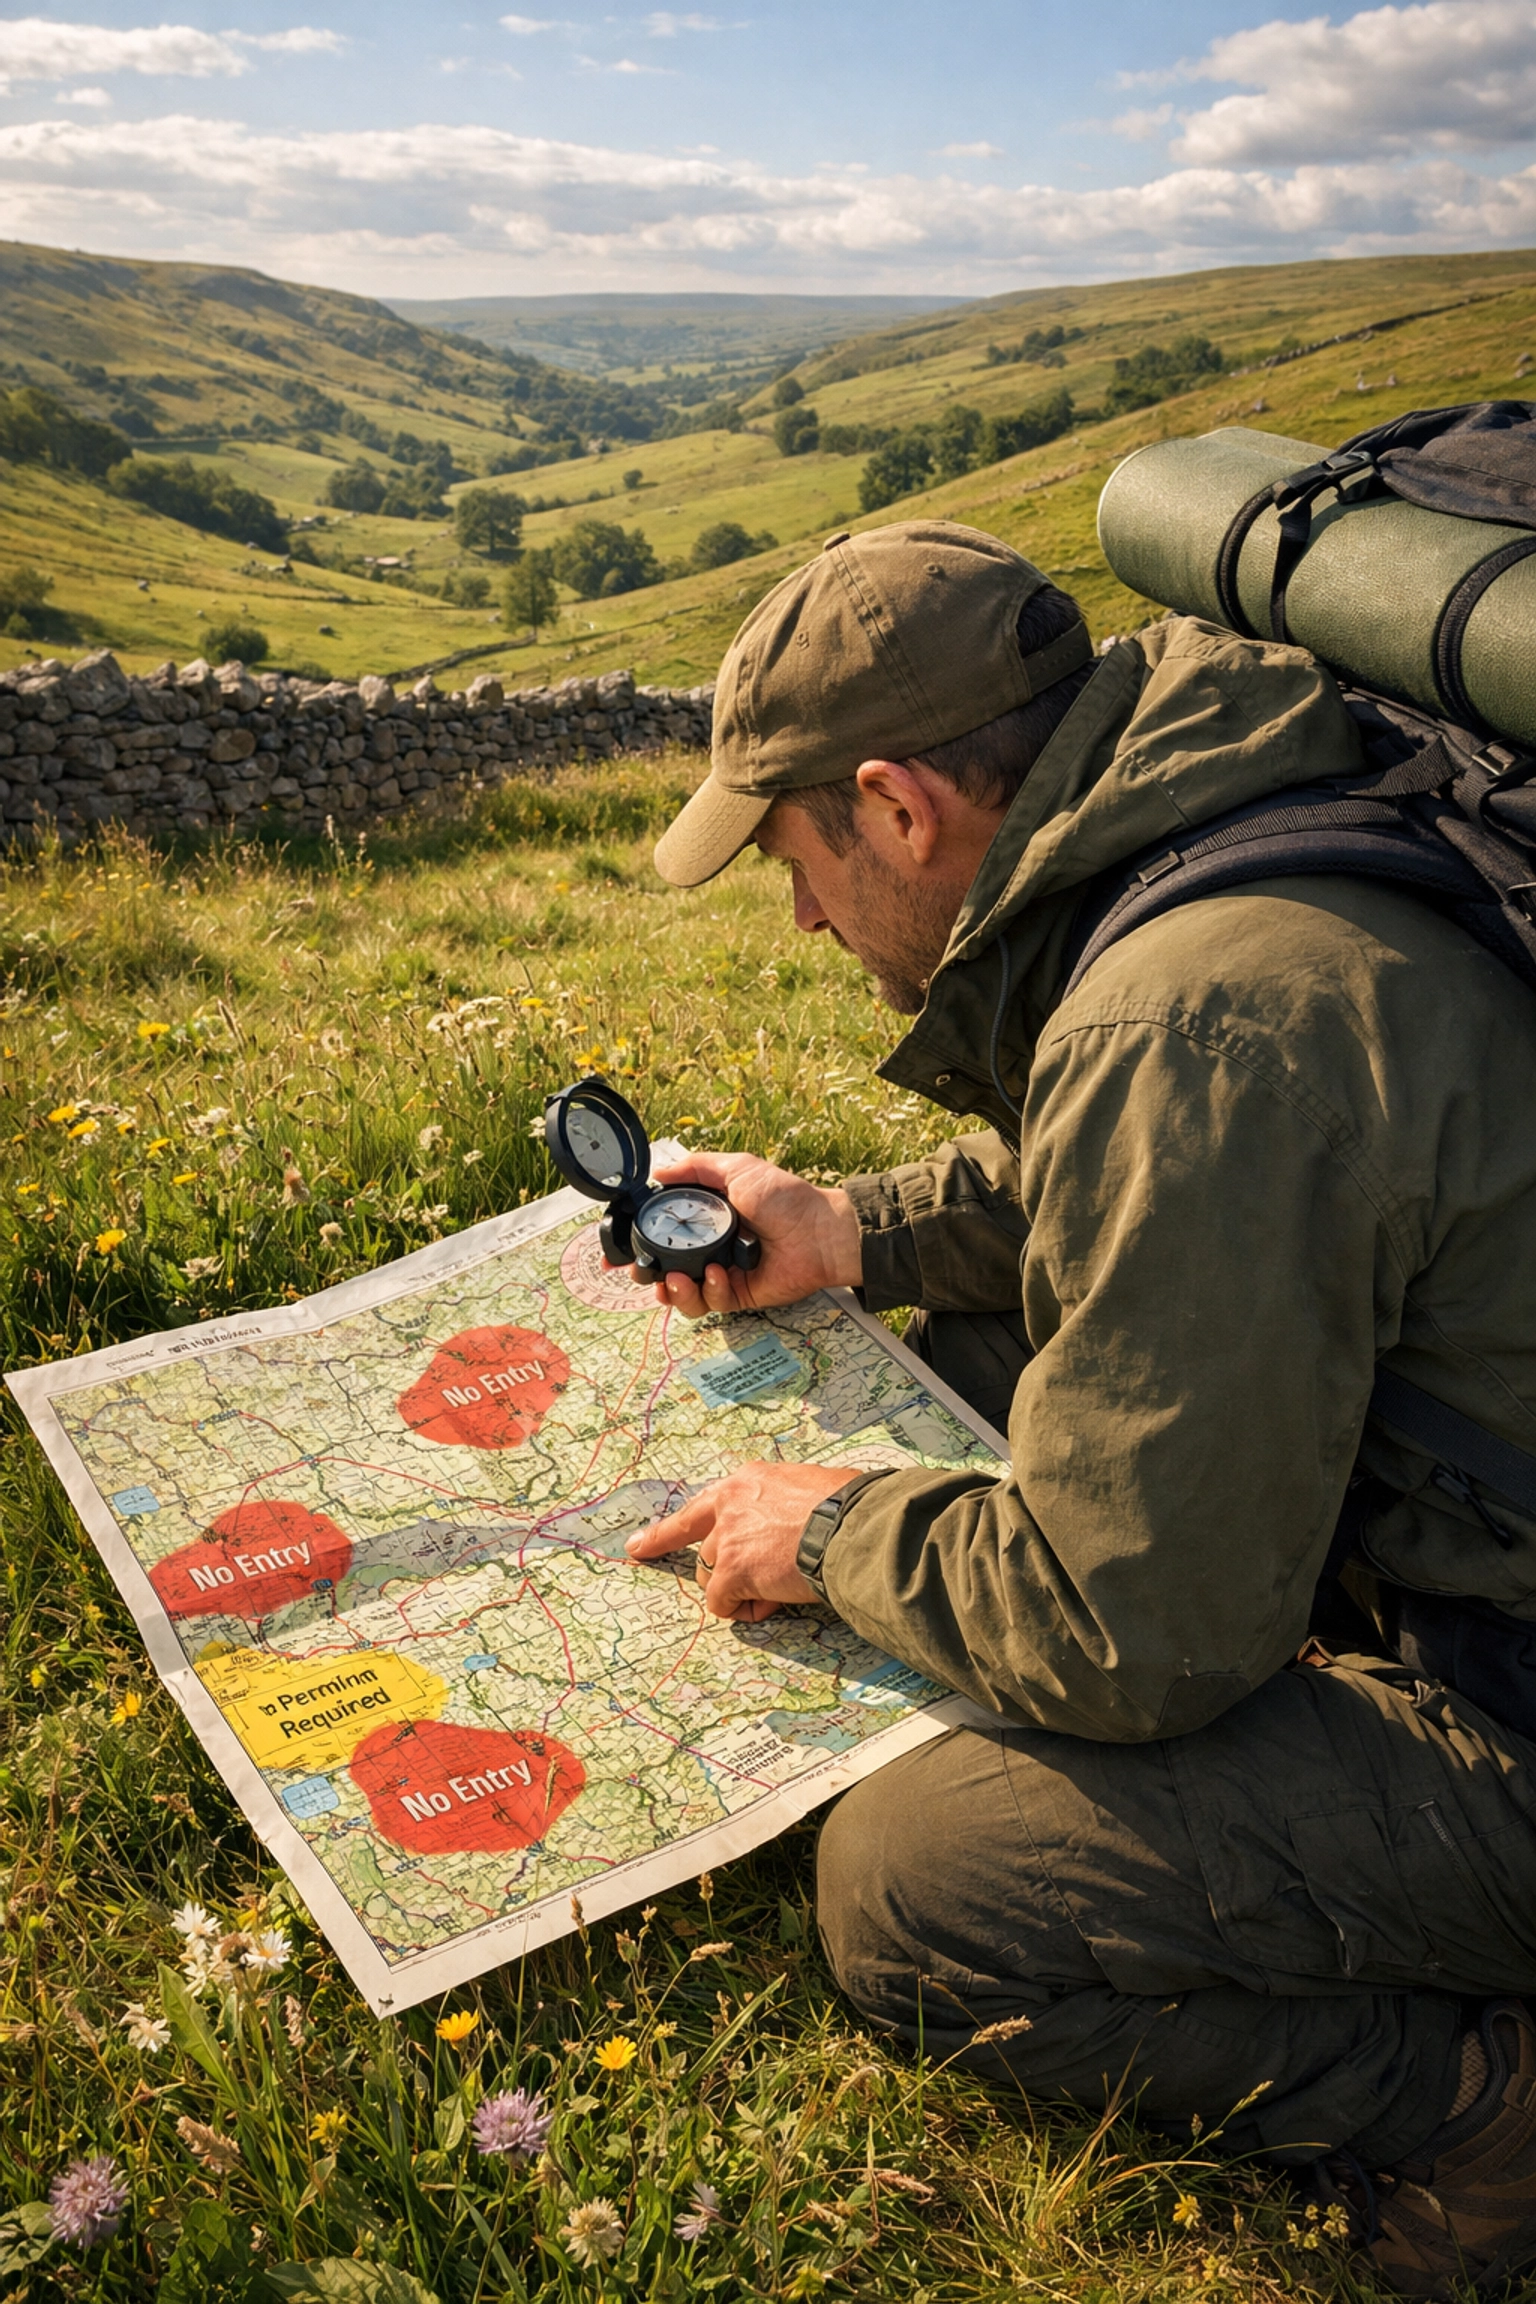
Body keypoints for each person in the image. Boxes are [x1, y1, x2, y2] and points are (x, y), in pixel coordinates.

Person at [622, 519, 1536, 2298]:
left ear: (896, 807)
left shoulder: (1190, 1017)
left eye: (799, 859)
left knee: (919, 1886)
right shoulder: (1242, 814)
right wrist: (848, 1230)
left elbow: (1133, 1630)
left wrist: (823, 1528)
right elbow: (1151, 1181)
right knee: (968, 1365)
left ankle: (1483, 2112)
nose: (803, 913)